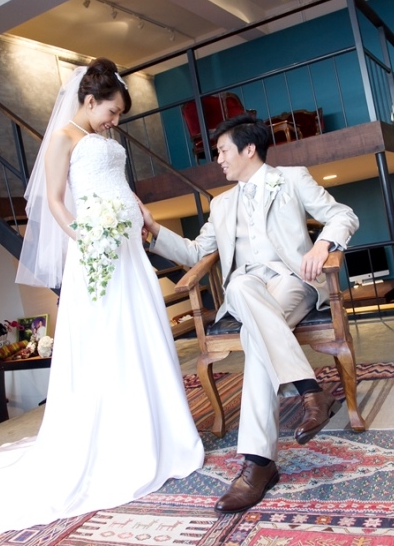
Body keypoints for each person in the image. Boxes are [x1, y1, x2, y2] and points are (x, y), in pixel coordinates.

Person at [0, 58, 204, 543]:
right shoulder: (62, 140)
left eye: (119, 114)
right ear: (89, 101)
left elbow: (116, 185)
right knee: (109, 342)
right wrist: (86, 238)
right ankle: (120, 444)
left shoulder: (106, 140)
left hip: (127, 252)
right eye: (111, 112)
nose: (115, 121)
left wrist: (137, 211)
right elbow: (55, 201)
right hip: (95, 253)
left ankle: (163, 433)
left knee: (142, 335)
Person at [139, 113, 359, 514]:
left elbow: (343, 215)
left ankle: (259, 465)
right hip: (247, 289)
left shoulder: (291, 179)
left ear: (249, 148)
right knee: (239, 285)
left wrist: (321, 245)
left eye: (223, 151)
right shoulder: (220, 204)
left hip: (292, 281)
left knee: (255, 338)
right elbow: (194, 252)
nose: (218, 160)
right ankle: (310, 391)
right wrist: (154, 229)